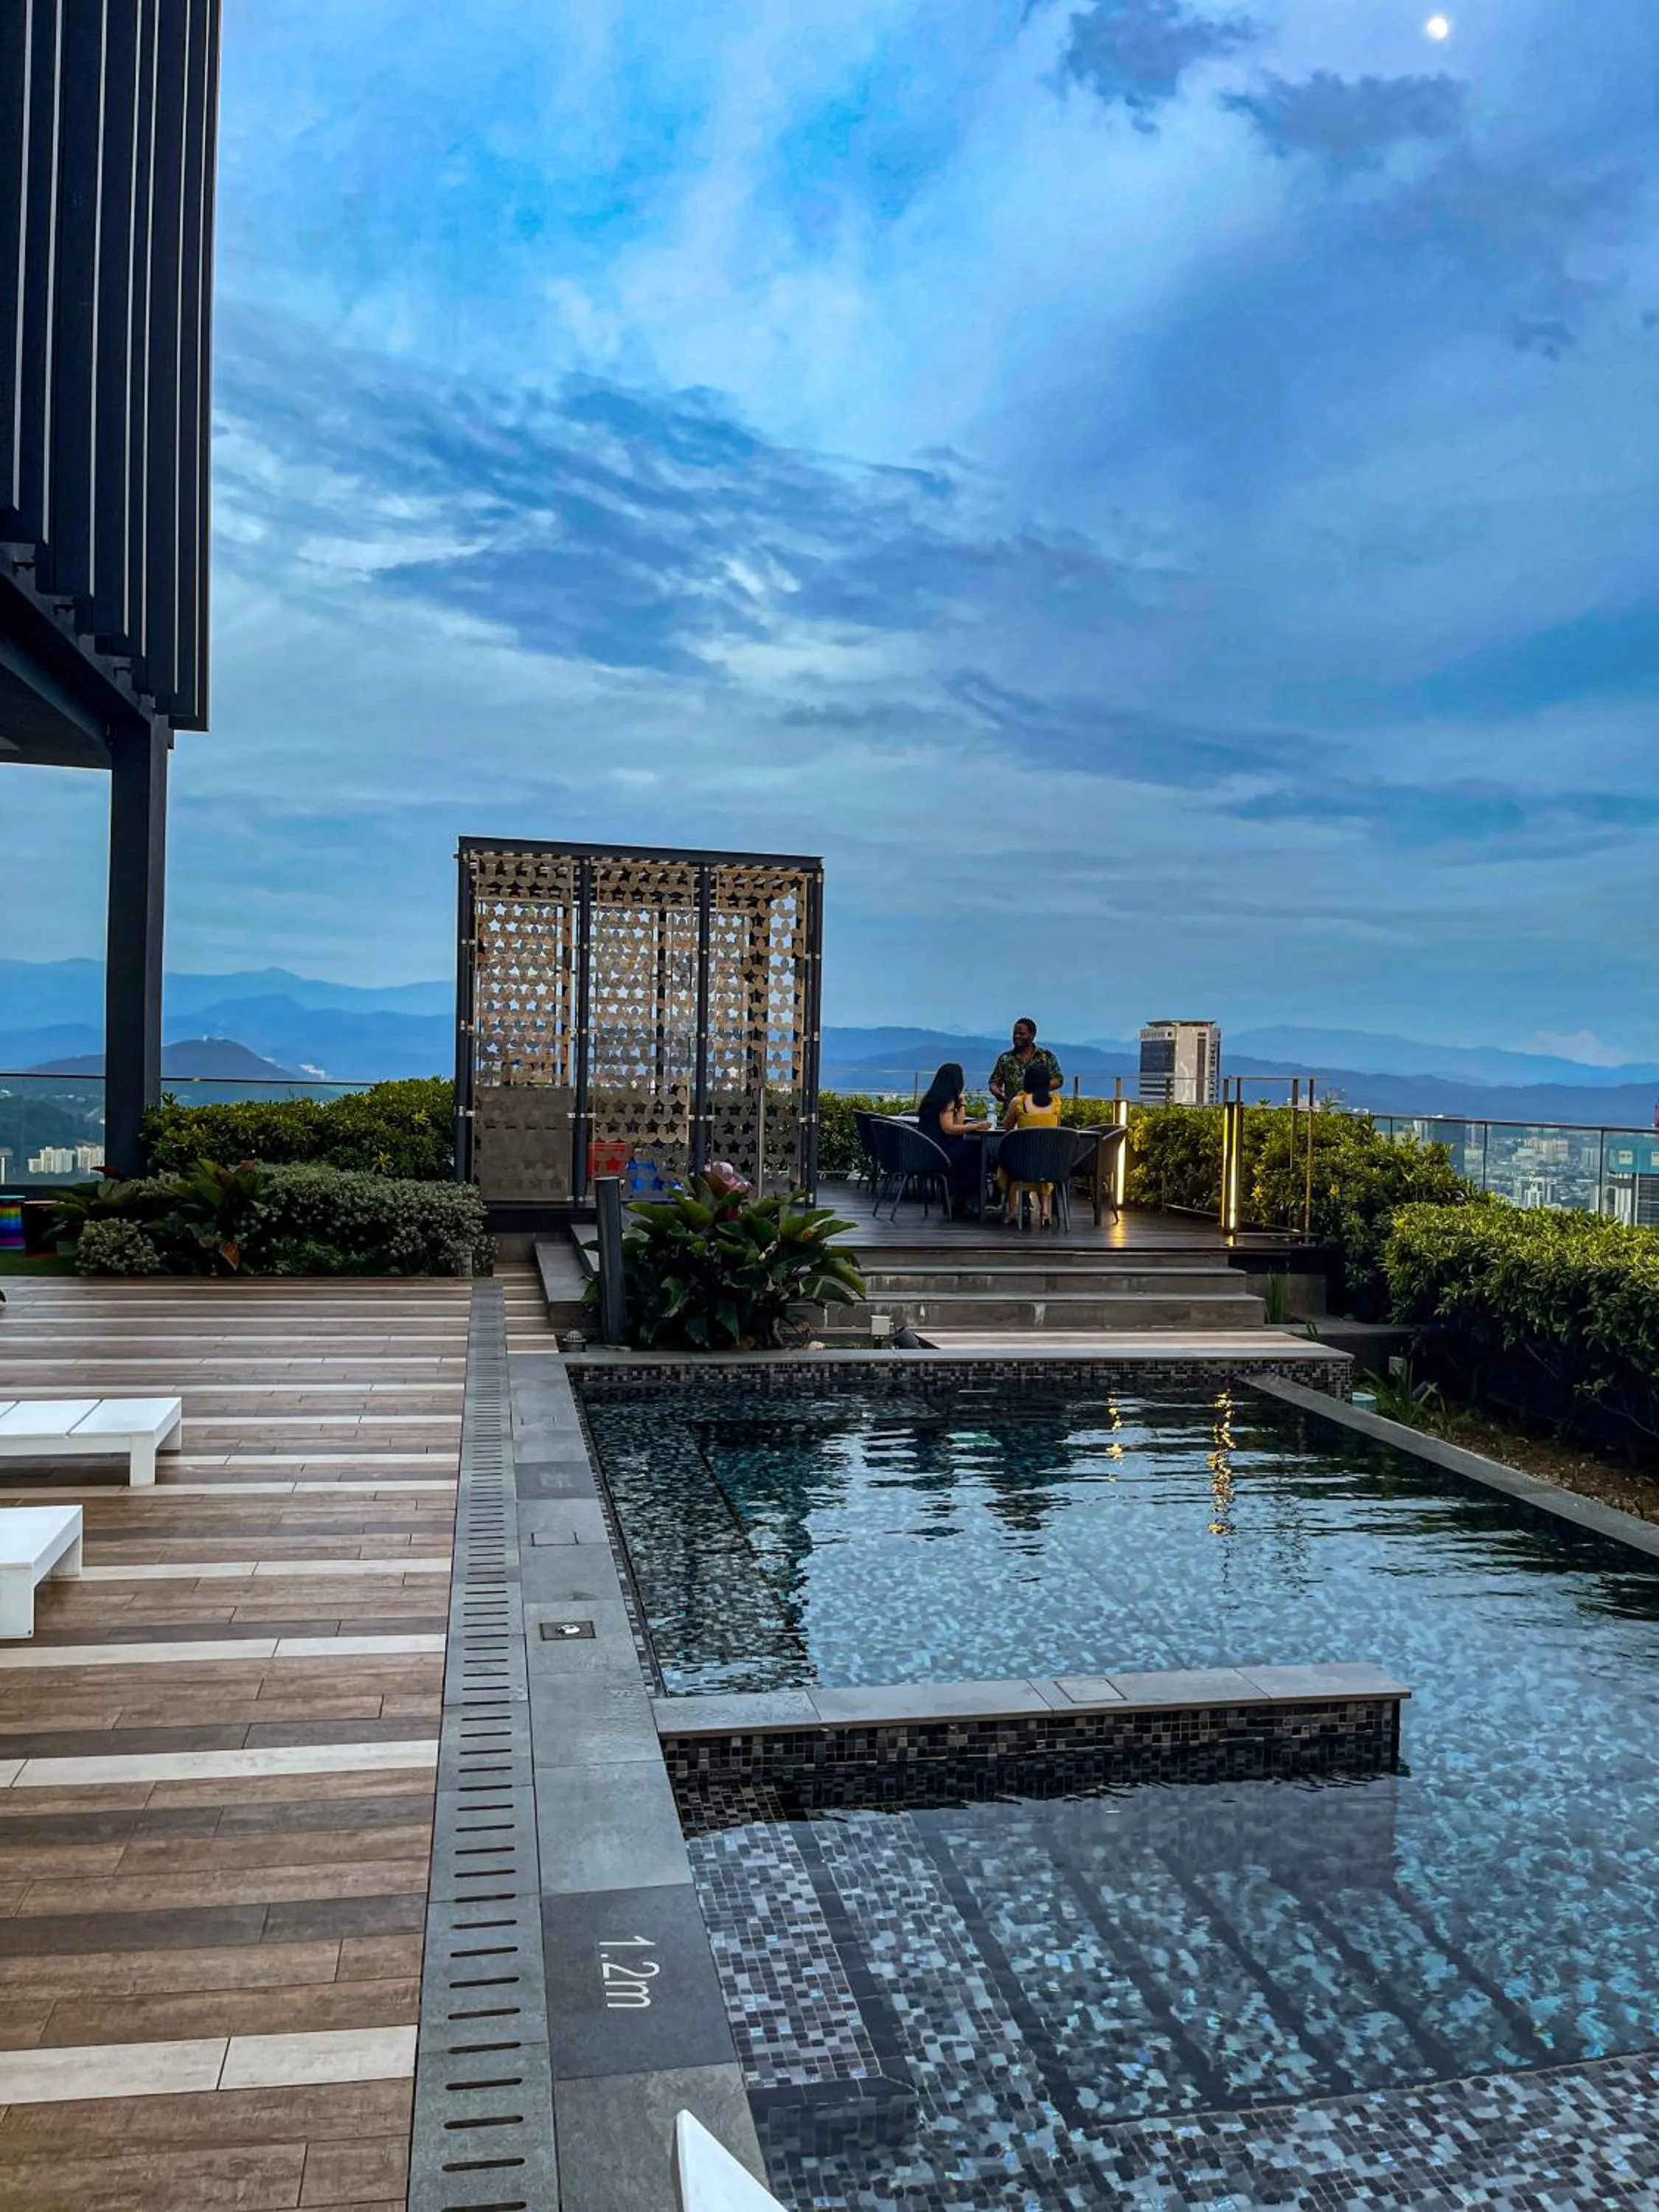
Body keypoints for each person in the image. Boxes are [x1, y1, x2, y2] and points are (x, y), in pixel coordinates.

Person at [998, 1057, 1063, 1228]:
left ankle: (1012, 1211)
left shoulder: (1019, 1102)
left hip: (1022, 1164)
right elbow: (1058, 1128)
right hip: (1049, 1163)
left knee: (1006, 1165)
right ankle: (1046, 1212)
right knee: (1043, 1165)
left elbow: (1007, 1127)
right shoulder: (1056, 1104)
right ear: (1047, 1082)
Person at [916, 1061, 989, 1213]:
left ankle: (958, 1198)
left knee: (970, 1154)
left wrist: (961, 1104)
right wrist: (975, 1126)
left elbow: (958, 1124)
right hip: (940, 1151)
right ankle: (966, 1198)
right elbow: (949, 1129)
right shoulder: (947, 1102)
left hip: (928, 1149)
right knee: (979, 1152)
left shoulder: (932, 1098)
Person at [989, 1018, 1063, 1110]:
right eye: (1015, 1034)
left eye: (1021, 1034)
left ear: (1032, 1035)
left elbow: (1058, 1079)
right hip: (1012, 1113)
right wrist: (997, 1092)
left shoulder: (1045, 1057)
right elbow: (994, 1082)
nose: (1017, 1036)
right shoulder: (1005, 1058)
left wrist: (1039, 1088)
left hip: (1038, 1112)